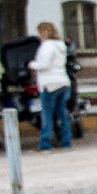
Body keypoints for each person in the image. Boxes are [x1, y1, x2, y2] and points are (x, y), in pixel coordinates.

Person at [30, 20, 72, 151]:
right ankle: (66, 141)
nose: (38, 36)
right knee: (62, 113)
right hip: (63, 81)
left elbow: (44, 64)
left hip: (49, 82)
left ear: (45, 32)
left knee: (47, 114)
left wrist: (32, 64)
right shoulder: (61, 45)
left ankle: (45, 143)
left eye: (40, 32)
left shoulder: (47, 46)